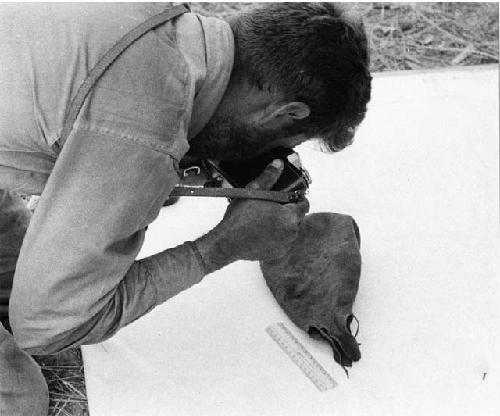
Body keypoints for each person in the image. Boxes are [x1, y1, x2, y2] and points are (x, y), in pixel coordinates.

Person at [0, 2, 371, 414]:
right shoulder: (145, 124)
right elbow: (45, 327)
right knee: (17, 399)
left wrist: (159, 169)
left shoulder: (167, 20)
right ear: (286, 113)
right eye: (285, 144)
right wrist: (219, 247)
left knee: (25, 282)